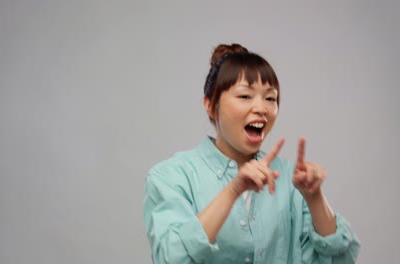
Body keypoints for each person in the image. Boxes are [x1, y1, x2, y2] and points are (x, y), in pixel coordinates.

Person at [143, 43, 360, 263]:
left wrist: (314, 199)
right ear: (210, 105)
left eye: (270, 98)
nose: (261, 108)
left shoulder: (290, 179)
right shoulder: (170, 177)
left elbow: (341, 259)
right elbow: (170, 258)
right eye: (245, 96)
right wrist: (233, 190)